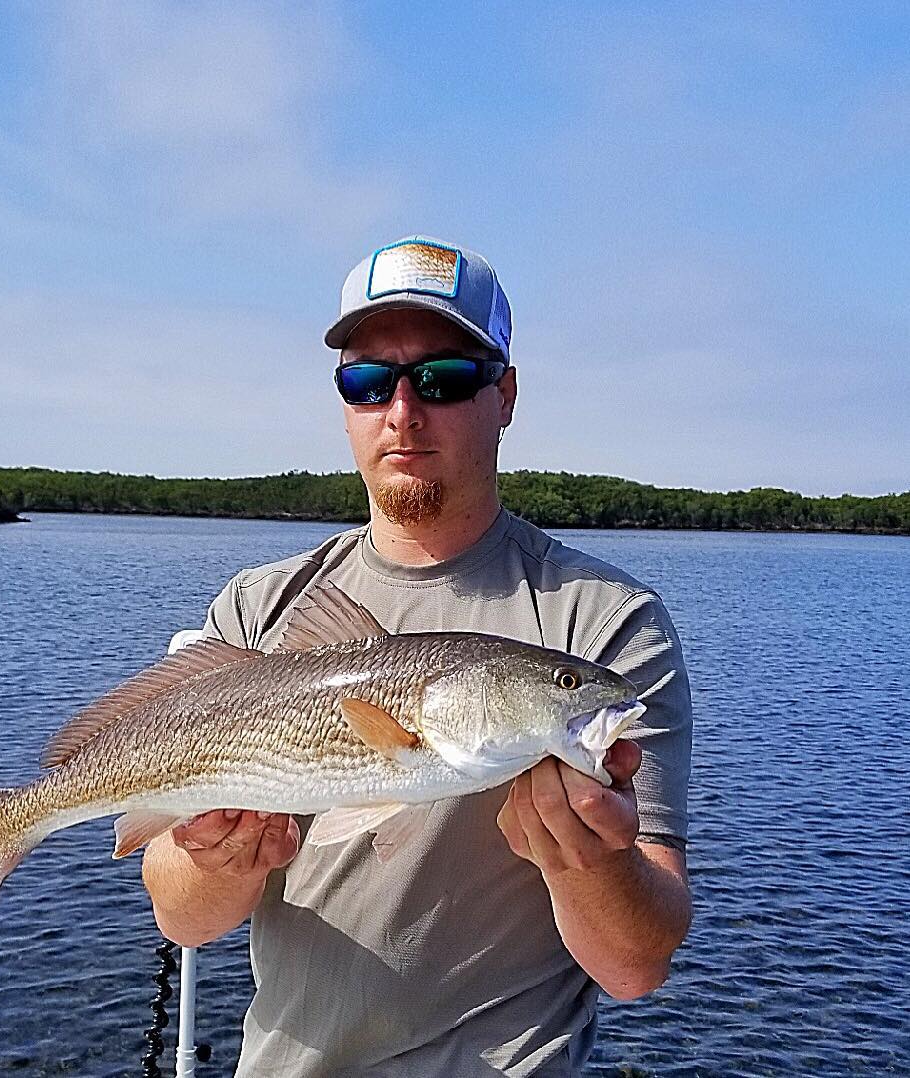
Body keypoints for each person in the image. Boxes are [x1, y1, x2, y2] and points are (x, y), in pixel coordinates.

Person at [142, 236, 692, 1076]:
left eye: (442, 379)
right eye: (368, 382)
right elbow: (183, 920)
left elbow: (634, 965)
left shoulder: (604, 624)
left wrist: (591, 864)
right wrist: (208, 857)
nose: (403, 412)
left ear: (504, 395)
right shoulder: (258, 610)